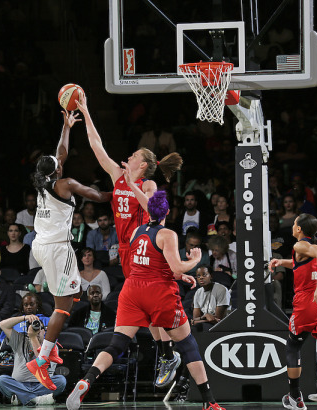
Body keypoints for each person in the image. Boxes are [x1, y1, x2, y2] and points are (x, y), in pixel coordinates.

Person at [66, 191, 224, 410]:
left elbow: (151, 263)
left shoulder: (136, 231)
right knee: (188, 346)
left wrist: (177, 274)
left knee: (116, 344)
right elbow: (176, 266)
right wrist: (194, 261)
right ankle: (211, 402)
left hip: (132, 290)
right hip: (157, 292)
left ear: (149, 212)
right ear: (167, 212)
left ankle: (87, 380)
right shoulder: (167, 234)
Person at [77, 94, 184, 388]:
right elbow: (97, 147)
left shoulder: (148, 183)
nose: (130, 156)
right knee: (145, 307)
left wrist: (134, 182)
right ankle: (166, 353)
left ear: (143, 163)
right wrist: (86, 111)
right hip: (124, 250)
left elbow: (152, 208)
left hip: (144, 247)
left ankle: (168, 353)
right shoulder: (118, 175)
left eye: (135, 155)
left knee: (149, 304)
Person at [26, 110, 111, 391]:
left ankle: (48, 347)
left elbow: (58, 155)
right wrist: (122, 191)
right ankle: (41, 361)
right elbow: (97, 196)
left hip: (41, 246)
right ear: (57, 171)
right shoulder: (66, 184)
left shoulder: (43, 182)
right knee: (63, 308)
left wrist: (65, 126)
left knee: (72, 294)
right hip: (57, 250)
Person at [269, 213, 317, 410]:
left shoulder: (300, 245)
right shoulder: (315, 243)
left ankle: (295, 397)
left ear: (298, 229)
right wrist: (282, 262)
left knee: (293, 346)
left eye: (295, 223)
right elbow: (307, 262)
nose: (293, 225)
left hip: (312, 299)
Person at [0, 308, 67, 406]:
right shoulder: (20, 340)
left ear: (45, 331)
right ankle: (37, 399)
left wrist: (33, 338)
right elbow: (3, 325)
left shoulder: (51, 346)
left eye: (40, 328)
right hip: (19, 384)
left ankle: (23, 398)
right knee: (2, 380)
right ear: (27, 330)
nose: (37, 331)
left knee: (61, 380)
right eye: (34, 328)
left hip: (42, 385)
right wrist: (24, 317)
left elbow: (41, 363)